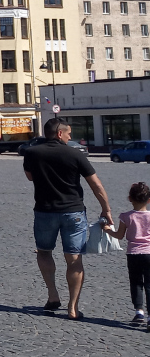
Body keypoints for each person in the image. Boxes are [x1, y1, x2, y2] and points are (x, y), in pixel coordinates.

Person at [23, 117, 112, 320]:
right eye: (69, 133)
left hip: (44, 211)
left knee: (44, 252)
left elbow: (30, 176)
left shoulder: (31, 152)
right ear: (59, 133)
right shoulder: (74, 154)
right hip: (73, 212)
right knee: (74, 259)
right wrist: (106, 209)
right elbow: (96, 184)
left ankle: (53, 295)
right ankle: (73, 307)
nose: (71, 136)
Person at [104, 181, 150, 325]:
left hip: (133, 254)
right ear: (149, 200)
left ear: (130, 198)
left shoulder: (126, 216)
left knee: (136, 283)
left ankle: (139, 312)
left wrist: (106, 230)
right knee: (149, 284)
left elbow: (119, 235)